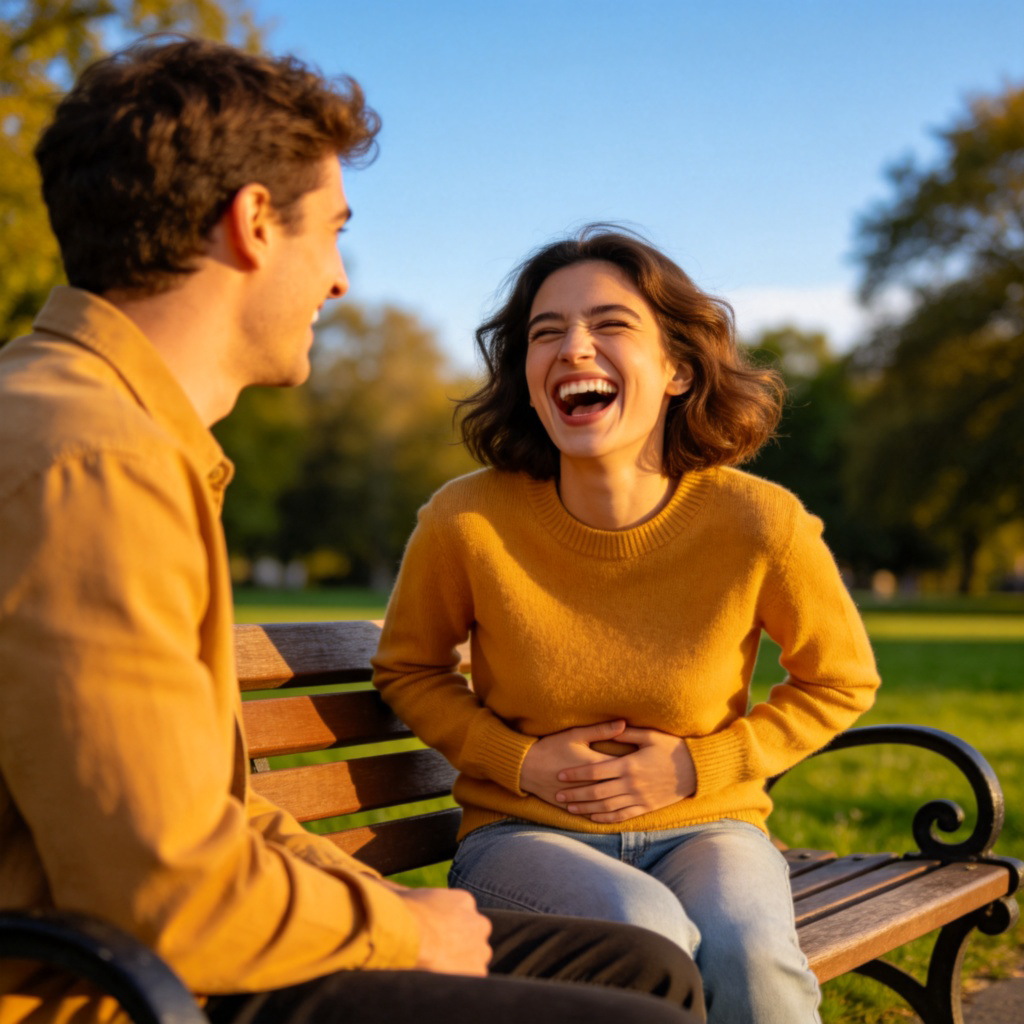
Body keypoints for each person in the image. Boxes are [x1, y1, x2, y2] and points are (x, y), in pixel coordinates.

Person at [0, 42, 706, 1024]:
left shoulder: (103, 427)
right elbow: (162, 890)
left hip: (161, 949)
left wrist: (382, 903)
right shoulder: (93, 461)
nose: (338, 279)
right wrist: (407, 933)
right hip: (105, 990)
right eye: (332, 230)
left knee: (640, 968)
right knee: (639, 1015)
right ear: (252, 223)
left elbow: (204, 812)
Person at [372, 225, 883, 1024]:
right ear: (529, 375)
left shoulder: (759, 521)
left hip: (711, 828)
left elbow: (841, 677)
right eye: (547, 332)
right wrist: (521, 761)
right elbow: (409, 669)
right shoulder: (464, 519)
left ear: (678, 368)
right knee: (642, 931)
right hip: (522, 836)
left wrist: (699, 769)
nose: (574, 346)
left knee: (751, 953)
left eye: (610, 324)